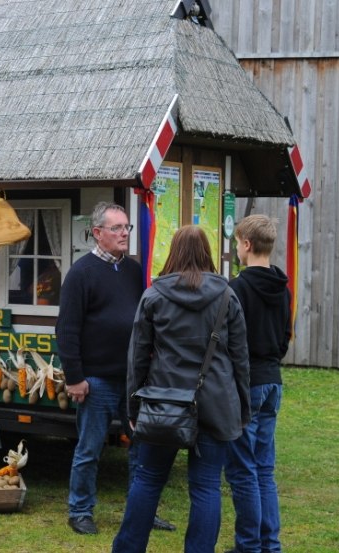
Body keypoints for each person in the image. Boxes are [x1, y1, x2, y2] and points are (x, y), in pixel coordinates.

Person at [113, 225, 251, 553]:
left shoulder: (154, 295)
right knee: (205, 488)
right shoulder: (227, 295)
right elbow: (240, 359)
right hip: (216, 405)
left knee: (148, 481)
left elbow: (136, 359)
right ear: (207, 253)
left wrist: (133, 409)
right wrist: (243, 409)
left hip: (164, 403)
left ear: (173, 252)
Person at [56, 201, 173, 536]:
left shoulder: (136, 271)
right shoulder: (81, 273)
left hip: (135, 380)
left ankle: (143, 513)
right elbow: (67, 329)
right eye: (117, 228)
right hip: (96, 380)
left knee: (141, 448)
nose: (124, 234)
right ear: (97, 233)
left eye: (127, 228)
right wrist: (75, 377)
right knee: (89, 450)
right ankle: (80, 511)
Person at [225, 215, 291, 553]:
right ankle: (270, 544)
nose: (236, 249)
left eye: (237, 243)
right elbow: (284, 339)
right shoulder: (282, 287)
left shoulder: (235, 289)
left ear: (247, 245)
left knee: (242, 471)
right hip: (272, 382)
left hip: (246, 385)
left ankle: (249, 545)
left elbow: (227, 341)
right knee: (264, 469)